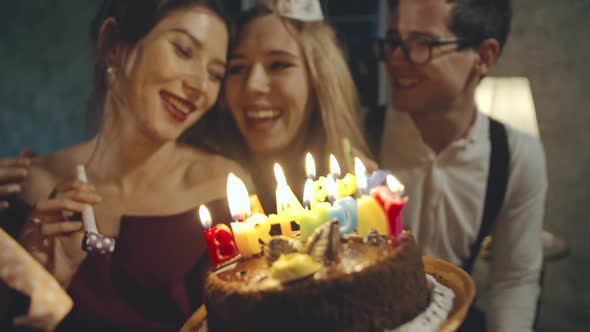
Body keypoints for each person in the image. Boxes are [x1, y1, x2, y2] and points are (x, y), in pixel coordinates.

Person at [1, 0, 251, 330]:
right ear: (114, 47)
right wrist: (37, 286)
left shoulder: (224, 189)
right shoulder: (25, 188)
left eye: (215, 74)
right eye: (183, 50)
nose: (200, 86)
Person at [366, 0, 547, 331]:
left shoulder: (514, 154)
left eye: (422, 44)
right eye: (393, 41)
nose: (395, 58)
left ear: (484, 56)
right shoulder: (362, 134)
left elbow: (514, 279)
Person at [213, 1, 372, 212]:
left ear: (320, 80)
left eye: (278, 65)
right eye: (237, 68)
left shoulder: (360, 191)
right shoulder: (207, 194)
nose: (253, 85)